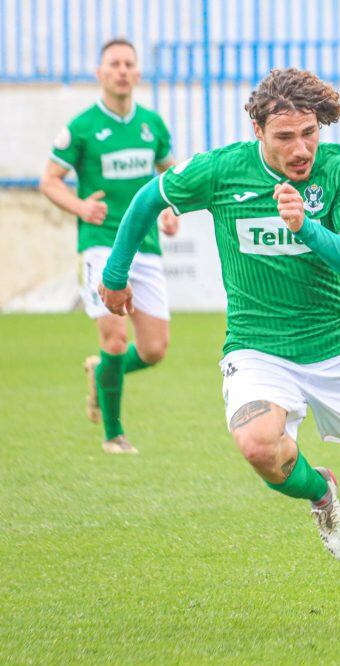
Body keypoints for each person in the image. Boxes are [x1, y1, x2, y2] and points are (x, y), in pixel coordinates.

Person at [97, 68, 340, 627]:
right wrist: (116, 273)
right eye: (285, 137)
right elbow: (145, 199)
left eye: (309, 132)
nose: (301, 147)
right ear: (258, 131)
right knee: (260, 445)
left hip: (337, 349)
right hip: (257, 347)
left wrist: (305, 225)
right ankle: (320, 492)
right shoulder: (220, 170)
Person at [40, 38, 178, 454]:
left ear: (137, 74)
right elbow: (48, 180)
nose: (121, 70)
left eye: (128, 64)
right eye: (113, 64)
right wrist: (80, 206)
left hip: (146, 245)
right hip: (101, 243)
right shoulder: (82, 128)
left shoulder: (152, 124)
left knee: (154, 350)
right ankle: (114, 435)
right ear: (100, 73)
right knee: (115, 337)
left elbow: (170, 175)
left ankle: (102, 372)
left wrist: (172, 210)